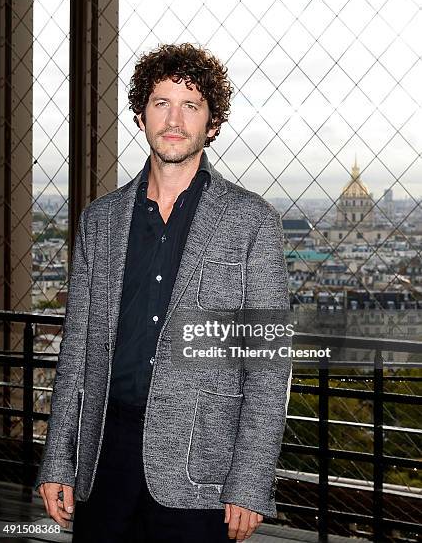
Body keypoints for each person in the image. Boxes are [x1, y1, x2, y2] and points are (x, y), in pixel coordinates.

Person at [34, 43, 292, 542]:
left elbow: (268, 363)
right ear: (139, 115)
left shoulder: (252, 221)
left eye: (191, 105)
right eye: (161, 103)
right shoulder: (100, 221)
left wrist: (251, 480)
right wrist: (58, 459)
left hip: (202, 468)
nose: (174, 118)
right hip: (104, 454)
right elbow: (76, 351)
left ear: (212, 124)